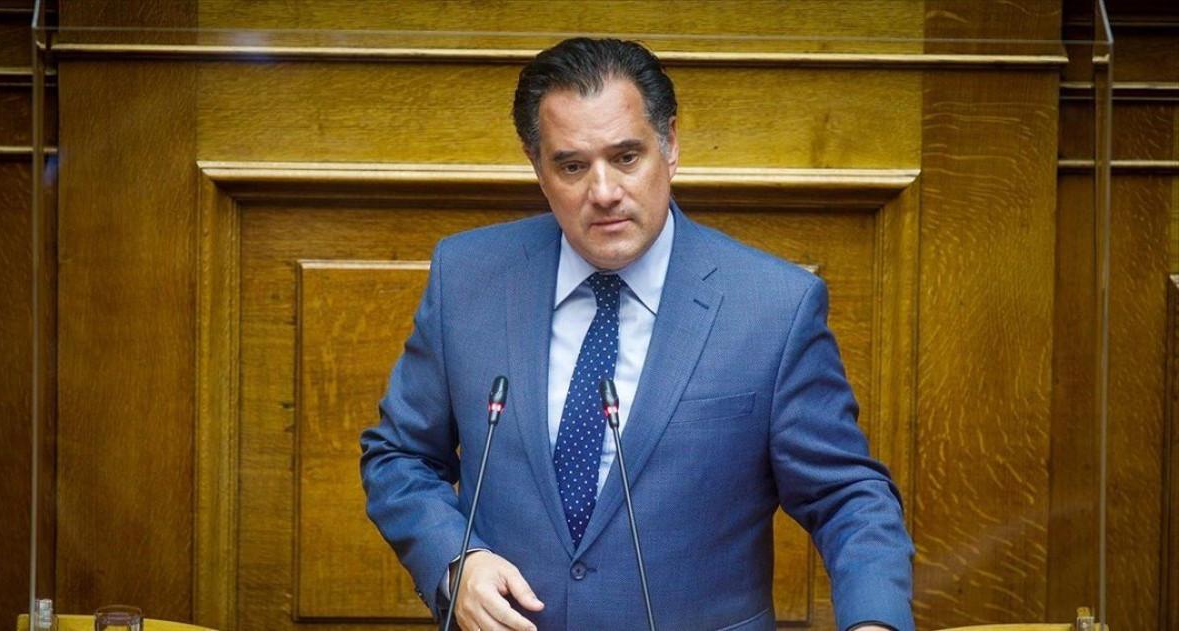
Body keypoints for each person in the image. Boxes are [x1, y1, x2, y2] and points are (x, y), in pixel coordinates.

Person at [361, 37, 913, 631]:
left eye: (626, 157)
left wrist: (874, 621)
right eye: (572, 166)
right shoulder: (468, 277)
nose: (603, 193)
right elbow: (400, 456)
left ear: (669, 145)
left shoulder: (773, 307)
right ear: (538, 167)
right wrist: (456, 560)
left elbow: (845, 497)